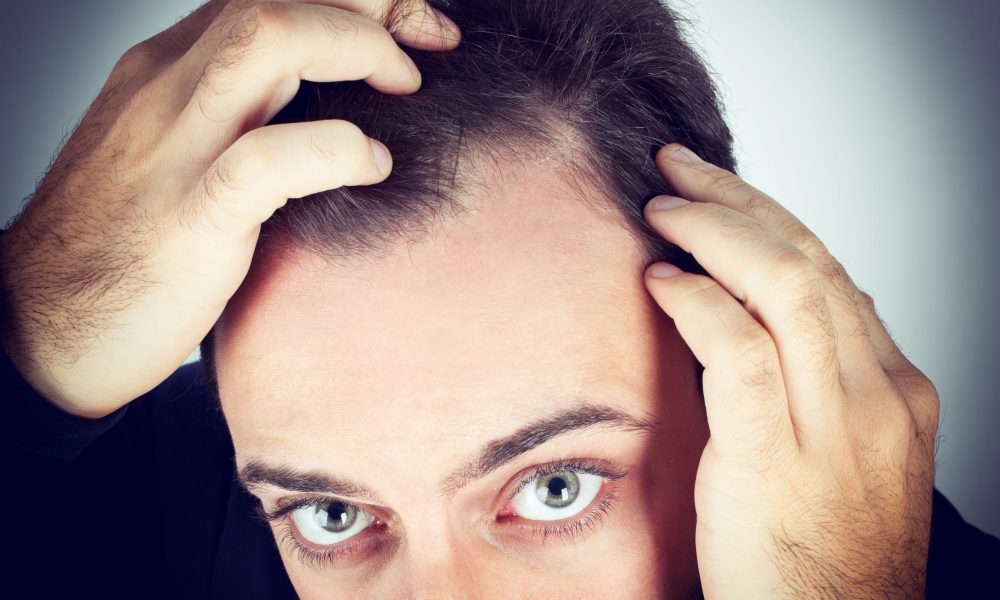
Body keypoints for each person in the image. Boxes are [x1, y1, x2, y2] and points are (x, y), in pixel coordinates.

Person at [0, 0, 996, 597]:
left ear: (751, 376)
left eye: (554, 486)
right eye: (331, 516)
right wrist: (26, 337)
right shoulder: (176, 507)